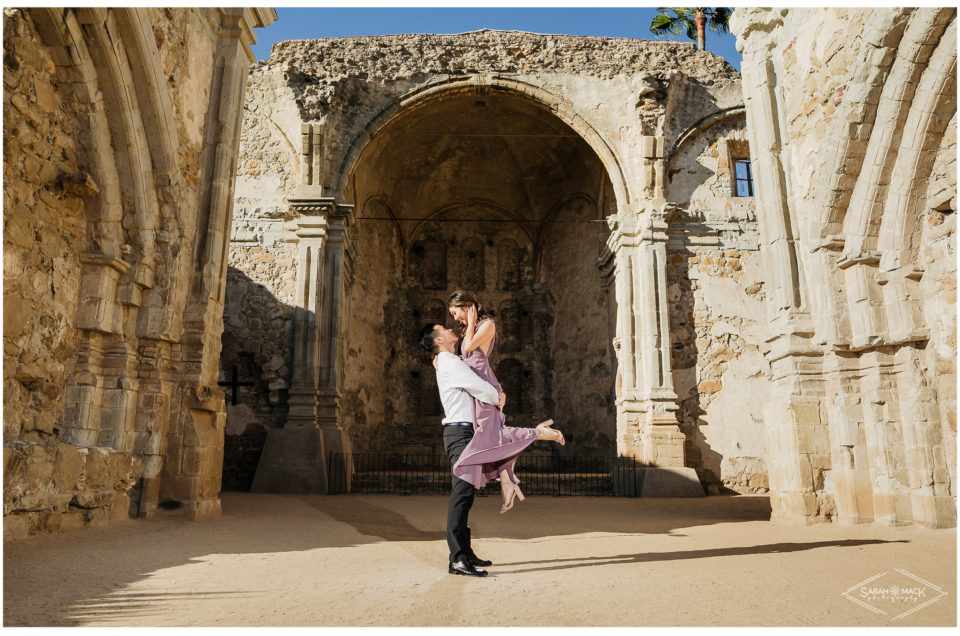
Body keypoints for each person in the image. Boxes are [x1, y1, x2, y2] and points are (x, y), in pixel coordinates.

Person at [447, 290, 565, 514]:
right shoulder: (471, 329)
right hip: (476, 387)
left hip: (483, 386)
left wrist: (471, 322)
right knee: (488, 436)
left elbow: (471, 348)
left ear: (467, 306)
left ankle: (539, 433)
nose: (455, 318)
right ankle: (507, 482)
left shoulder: (487, 324)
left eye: (456, 312)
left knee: (491, 436)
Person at [419, 322, 504, 577]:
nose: (448, 329)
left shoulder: (447, 360)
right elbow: (475, 384)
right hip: (461, 432)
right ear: (438, 340)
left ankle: (464, 552)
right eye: (443, 329)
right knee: (461, 495)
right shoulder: (447, 360)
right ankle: (457, 558)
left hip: (464, 431)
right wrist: (496, 396)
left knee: (466, 496)